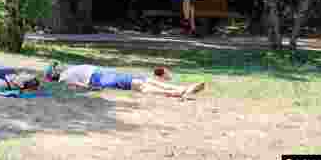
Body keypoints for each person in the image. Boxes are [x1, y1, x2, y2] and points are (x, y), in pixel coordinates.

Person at [53, 63, 206, 99]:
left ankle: (181, 89)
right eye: (56, 67)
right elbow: (75, 85)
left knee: (143, 80)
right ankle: (180, 92)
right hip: (100, 78)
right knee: (140, 84)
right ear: (55, 73)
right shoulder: (64, 76)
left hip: (103, 74)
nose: (59, 66)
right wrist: (89, 87)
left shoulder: (68, 71)